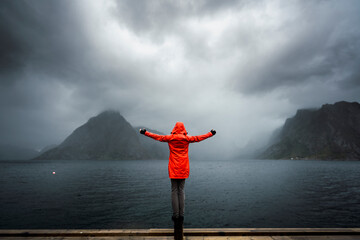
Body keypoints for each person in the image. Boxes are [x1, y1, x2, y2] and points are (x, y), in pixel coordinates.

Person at [139, 122, 216, 240]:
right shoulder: (187, 139)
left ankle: (176, 216)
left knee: (174, 190)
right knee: (181, 190)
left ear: (174, 129)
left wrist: (145, 133)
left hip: (173, 167)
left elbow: (156, 137)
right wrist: (211, 133)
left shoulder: (170, 138)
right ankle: (182, 215)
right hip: (184, 167)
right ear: (183, 129)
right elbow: (200, 138)